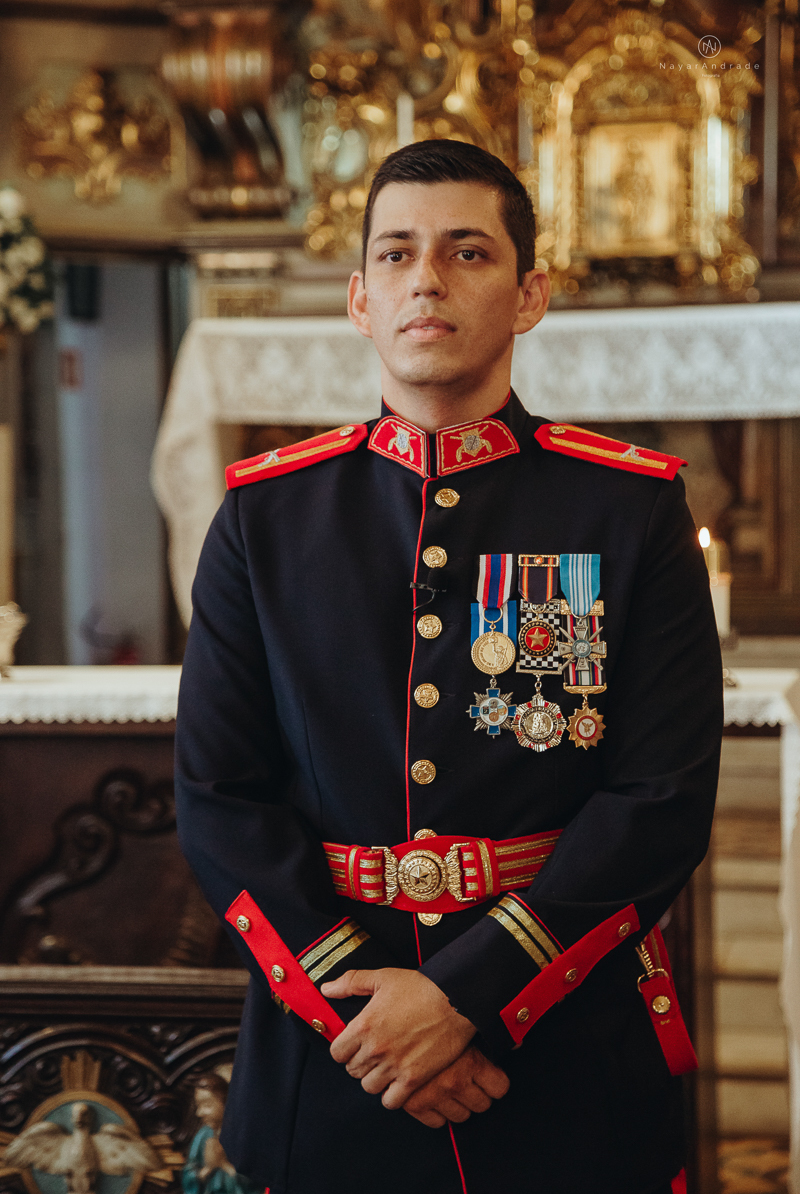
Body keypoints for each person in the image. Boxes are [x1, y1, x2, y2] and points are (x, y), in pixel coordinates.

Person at [175, 139, 722, 1194]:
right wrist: (370, 1016)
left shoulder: (625, 508)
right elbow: (219, 794)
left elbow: (657, 796)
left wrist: (468, 997)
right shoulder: (264, 516)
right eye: (395, 255)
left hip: (559, 1043)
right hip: (338, 1055)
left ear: (527, 295)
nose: (425, 277)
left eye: (465, 252)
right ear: (358, 299)